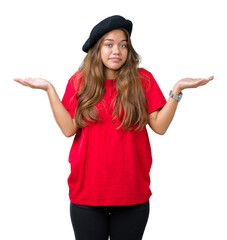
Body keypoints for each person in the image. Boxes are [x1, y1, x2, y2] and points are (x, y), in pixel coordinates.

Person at [14, 15, 214, 240]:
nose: (116, 50)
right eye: (109, 44)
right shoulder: (80, 82)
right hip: (87, 193)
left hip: (132, 193)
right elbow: (69, 129)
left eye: (123, 45)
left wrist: (177, 90)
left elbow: (159, 126)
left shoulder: (143, 80)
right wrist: (49, 89)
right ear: (97, 49)